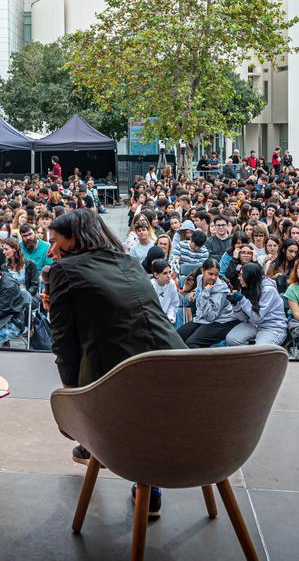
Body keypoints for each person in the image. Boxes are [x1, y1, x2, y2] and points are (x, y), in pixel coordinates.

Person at [45, 208, 185, 491]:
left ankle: (120, 461)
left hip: (126, 379)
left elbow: (64, 342)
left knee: (89, 387)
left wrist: (71, 396)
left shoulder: (64, 270)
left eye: (55, 240)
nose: (51, 251)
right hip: (180, 366)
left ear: (73, 239)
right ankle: (97, 450)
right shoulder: (129, 261)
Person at [225, 262, 288, 346]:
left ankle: (256, 354)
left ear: (250, 276)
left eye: (242, 275)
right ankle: (250, 354)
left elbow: (257, 317)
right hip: (253, 324)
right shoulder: (246, 287)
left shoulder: (268, 290)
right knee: (231, 340)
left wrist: (242, 300)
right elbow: (243, 318)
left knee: (259, 349)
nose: (239, 278)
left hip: (272, 327)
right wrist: (235, 304)